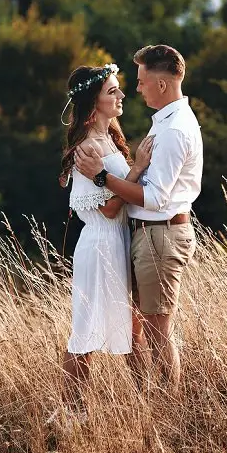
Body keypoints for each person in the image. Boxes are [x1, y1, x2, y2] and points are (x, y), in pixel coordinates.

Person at [74, 44, 203, 392]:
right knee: (128, 328)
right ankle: (143, 403)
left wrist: (105, 177)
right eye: (116, 89)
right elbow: (111, 201)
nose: (136, 88)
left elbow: (154, 197)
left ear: (161, 84)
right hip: (128, 237)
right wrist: (131, 171)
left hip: (158, 235)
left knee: (157, 329)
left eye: (142, 80)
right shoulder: (159, 125)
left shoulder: (173, 129)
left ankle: (168, 409)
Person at [57, 63, 155, 422]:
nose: (121, 95)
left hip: (117, 244)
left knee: (133, 328)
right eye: (112, 90)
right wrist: (138, 168)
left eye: (119, 89)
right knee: (85, 330)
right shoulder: (86, 148)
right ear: (92, 100)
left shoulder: (109, 139)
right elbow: (112, 209)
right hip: (99, 245)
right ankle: (73, 412)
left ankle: (149, 407)